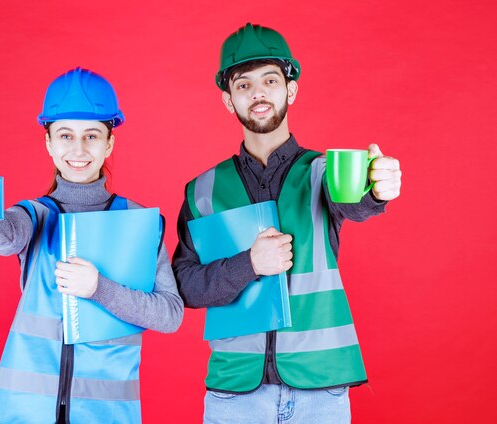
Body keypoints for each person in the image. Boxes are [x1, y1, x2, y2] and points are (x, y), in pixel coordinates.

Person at [172, 23, 402, 424]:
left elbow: (357, 202)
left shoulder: (324, 172)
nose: (258, 93)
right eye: (243, 85)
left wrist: (379, 188)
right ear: (228, 100)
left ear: (290, 90)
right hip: (235, 395)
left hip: (320, 391)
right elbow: (184, 286)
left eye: (270, 80)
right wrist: (250, 264)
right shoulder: (202, 190)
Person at [0, 67, 183, 424]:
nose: (78, 149)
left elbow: (170, 315)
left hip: (106, 414)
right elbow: (4, 235)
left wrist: (99, 289)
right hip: (20, 413)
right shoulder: (34, 215)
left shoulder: (140, 222)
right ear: (48, 141)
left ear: (109, 142)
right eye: (65, 135)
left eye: (92, 135)